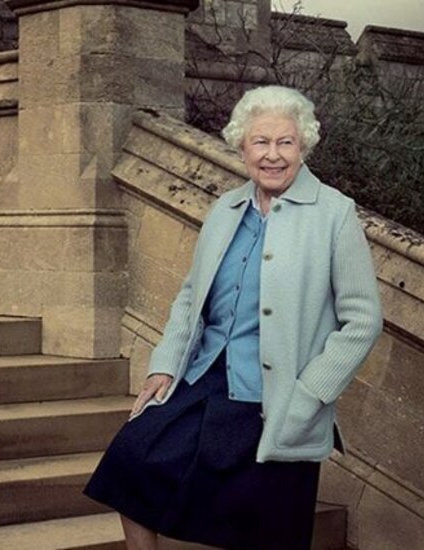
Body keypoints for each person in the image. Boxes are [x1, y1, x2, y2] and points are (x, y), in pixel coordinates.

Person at [84, 85, 383, 550]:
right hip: (205, 379)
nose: (273, 155)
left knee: (254, 526)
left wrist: (310, 394)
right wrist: (164, 364)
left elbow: (363, 321)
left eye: (285, 142)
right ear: (241, 146)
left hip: (277, 397)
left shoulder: (334, 215)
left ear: (303, 145)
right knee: (131, 459)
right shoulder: (225, 209)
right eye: (261, 142)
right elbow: (191, 296)